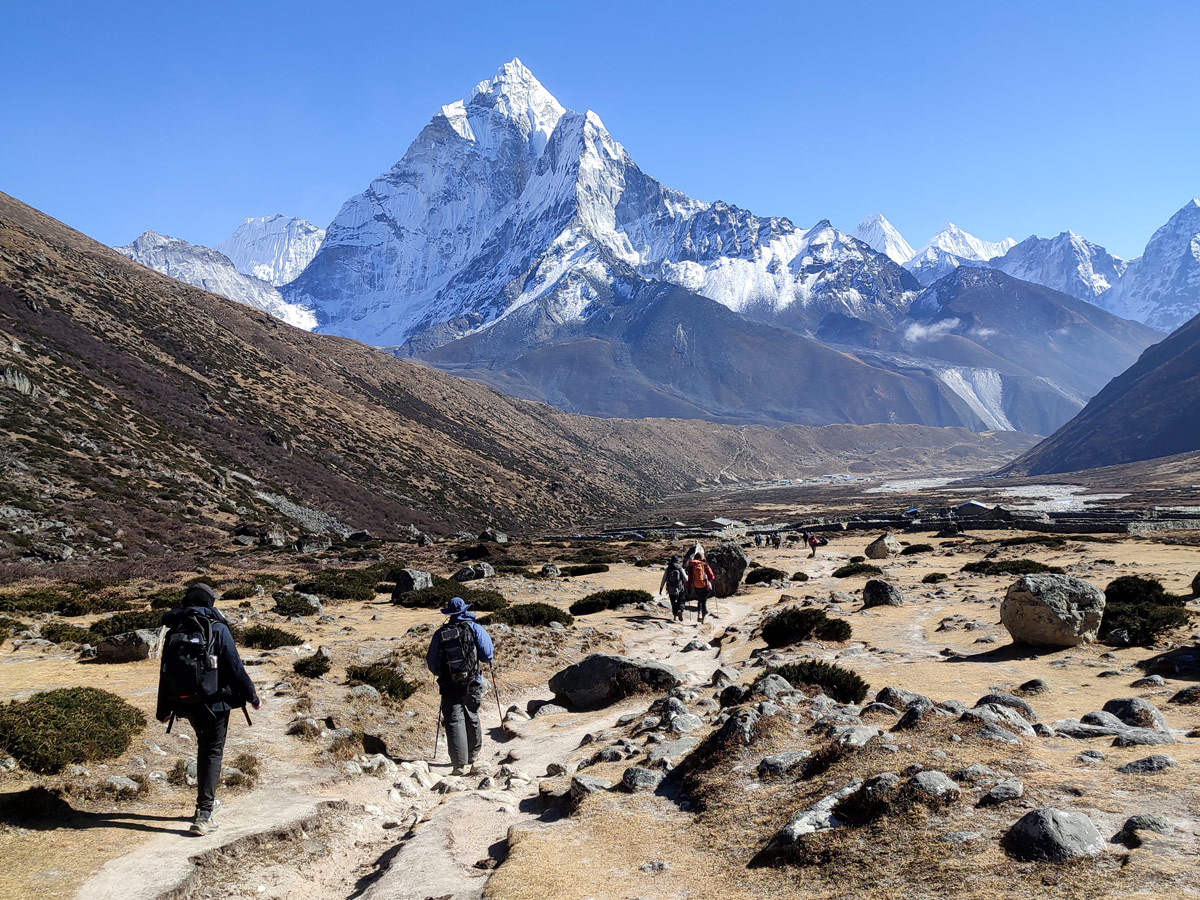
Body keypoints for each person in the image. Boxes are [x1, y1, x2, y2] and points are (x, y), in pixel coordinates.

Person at [156, 583, 261, 836]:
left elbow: (165, 672)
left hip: (185, 702)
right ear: (209, 602)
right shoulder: (217, 627)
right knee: (212, 751)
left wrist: (164, 709)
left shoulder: (174, 630)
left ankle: (207, 802)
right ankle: (204, 814)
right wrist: (252, 696)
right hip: (216, 701)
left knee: (205, 746)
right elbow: (234, 666)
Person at [426, 596, 494, 776]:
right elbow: (487, 654)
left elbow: (431, 662)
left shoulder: (440, 633)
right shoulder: (474, 628)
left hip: (449, 684)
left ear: (449, 613)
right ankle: (473, 756)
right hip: (472, 681)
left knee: (454, 720)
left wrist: (442, 673)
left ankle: (458, 764)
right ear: (464, 610)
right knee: (471, 713)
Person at [686, 549, 716, 624]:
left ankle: (699, 613)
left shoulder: (692, 566)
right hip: (705, 586)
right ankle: (703, 616)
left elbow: (689, 579)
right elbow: (712, 577)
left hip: (696, 586)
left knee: (699, 600)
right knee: (704, 601)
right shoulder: (704, 565)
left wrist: (688, 588)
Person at [659, 555, 689, 621]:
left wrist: (661, 588)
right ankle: (680, 610)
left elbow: (664, 579)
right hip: (680, 588)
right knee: (681, 600)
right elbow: (686, 579)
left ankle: (675, 616)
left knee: (673, 602)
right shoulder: (680, 568)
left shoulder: (668, 568)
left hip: (670, 588)